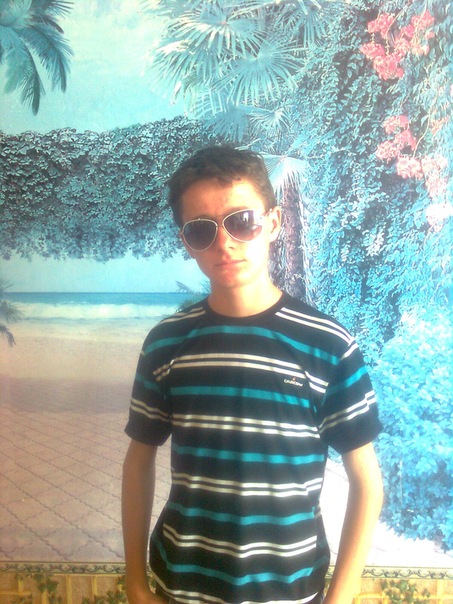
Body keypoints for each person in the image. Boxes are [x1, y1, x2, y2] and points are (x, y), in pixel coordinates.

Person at [122, 146, 383, 604]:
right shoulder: (166, 344)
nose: (224, 243)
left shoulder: (329, 346)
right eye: (201, 230)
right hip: (180, 585)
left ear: (274, 223)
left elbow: (366, 481)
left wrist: (341, 595)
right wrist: (136, 582)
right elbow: (138, 462)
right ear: (186, 241)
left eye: (241, 221)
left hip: (291, 590)